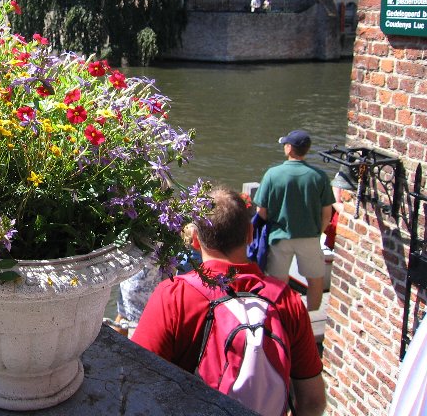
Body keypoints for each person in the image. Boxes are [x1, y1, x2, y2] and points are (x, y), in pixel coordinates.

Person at [132, 188, 326, 416]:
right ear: (250, 234)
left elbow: (138, 378)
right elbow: (313, 401)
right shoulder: (286, 300)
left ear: (195, 240)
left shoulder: (174, 295)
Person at [253, 130, 335, 311]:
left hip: (279, 237)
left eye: (285, 144)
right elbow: (327, 214)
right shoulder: (319, 176)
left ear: (289, 148)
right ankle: (311, 315)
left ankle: (280, 316)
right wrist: (317, 232)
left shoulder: (272, 174)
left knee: (277, 282)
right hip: (310, 237)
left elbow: (261, 211)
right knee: (315, 280)